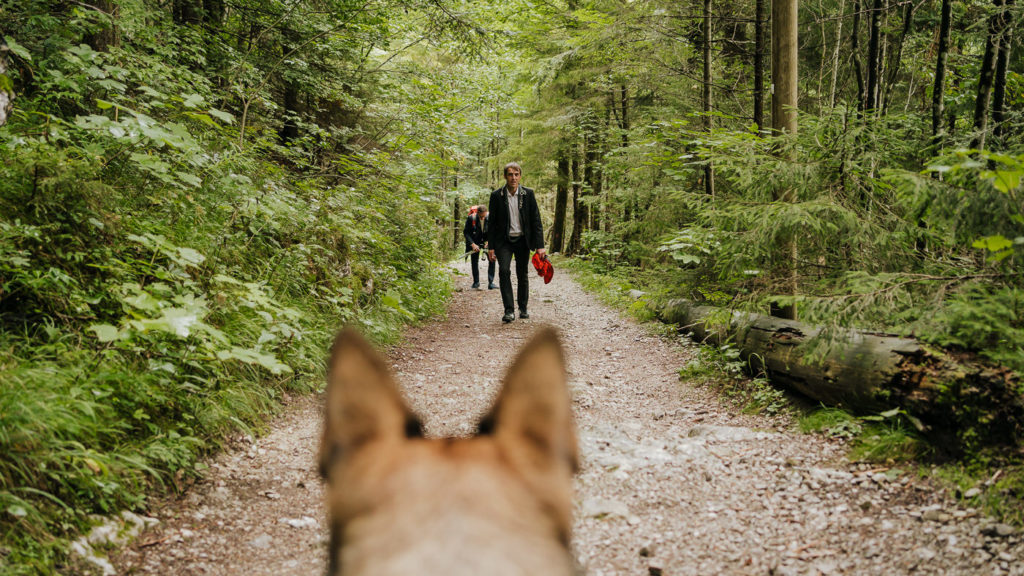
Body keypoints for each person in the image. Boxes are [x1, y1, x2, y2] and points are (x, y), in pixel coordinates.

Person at [487, 162, 546, 323]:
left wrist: (540, 246)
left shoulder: (528, 194)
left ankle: (523, 307)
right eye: (510, 174)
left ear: (520, 176)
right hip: (503, 241)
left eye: (516, 174)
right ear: (505, 176)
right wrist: (491, 246)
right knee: (504, 271)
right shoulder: (496, 196)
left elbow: (536, 221)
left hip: (522, 240)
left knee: (522, 274)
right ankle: (509, 310)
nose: (513, 178)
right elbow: (491, 224)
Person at [463, 204, 495, 289]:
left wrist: (490, 242)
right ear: (477, 213)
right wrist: (472, 244)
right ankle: (476, 282)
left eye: (484, 216)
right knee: (474, 261)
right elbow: (466, 232)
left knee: (492, 259)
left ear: (486, 213)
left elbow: (495, 231)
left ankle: (491, 282)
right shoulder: (471, 218)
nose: (482, 218)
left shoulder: (491, 217)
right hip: (475, 241)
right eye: (480, 217)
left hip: (487, 241)